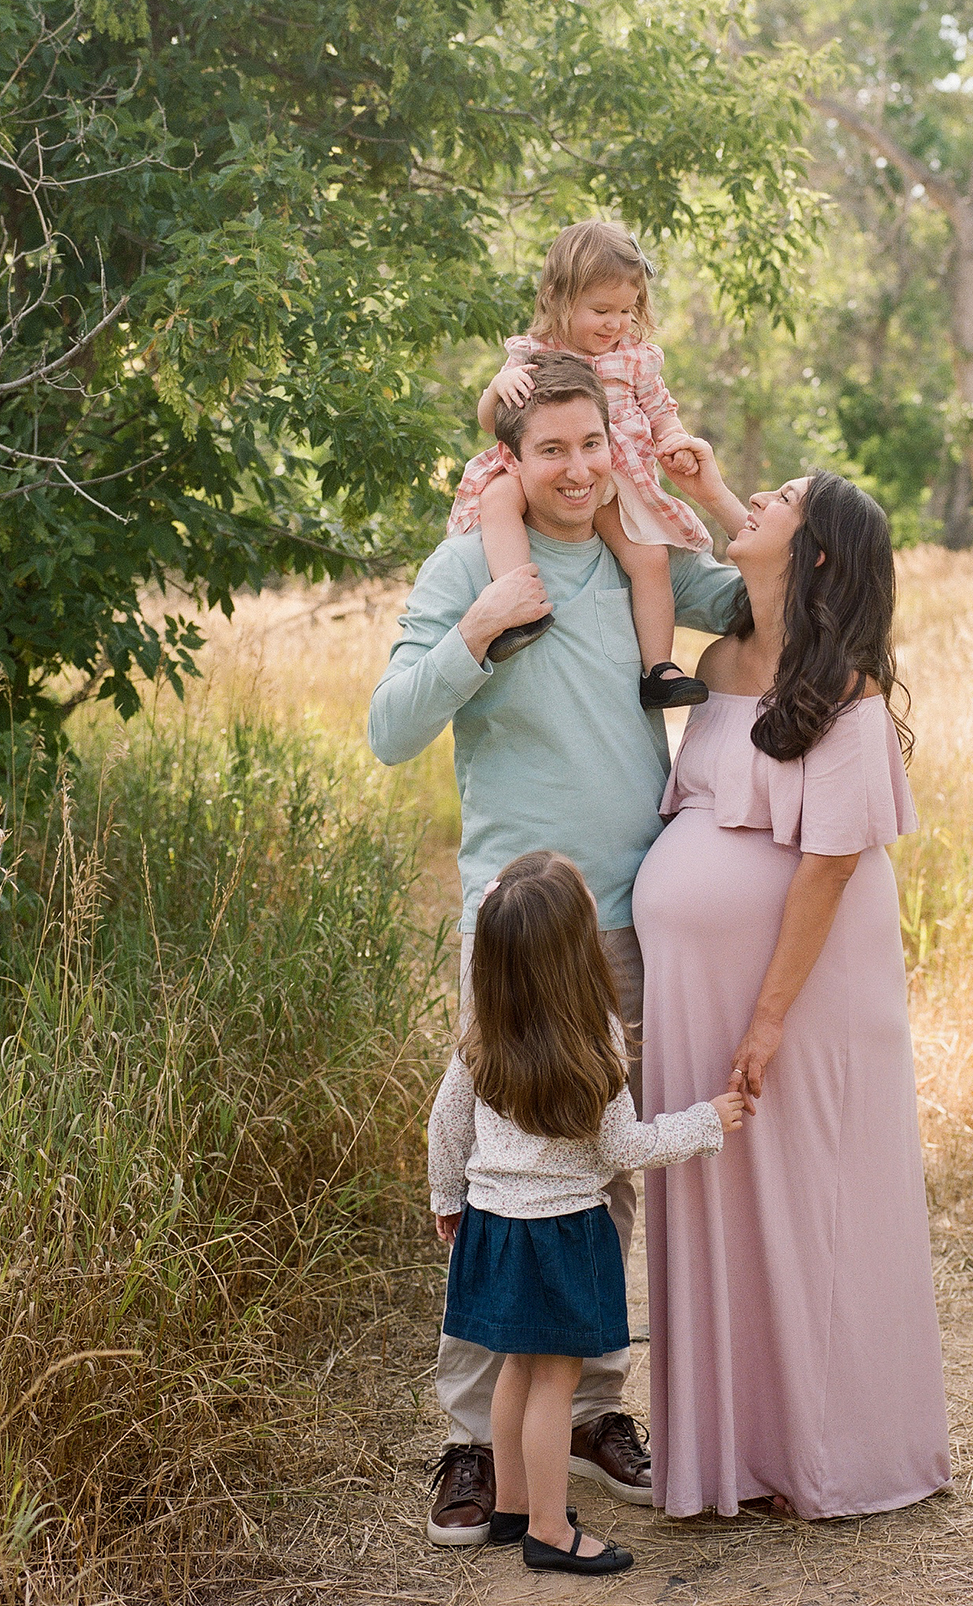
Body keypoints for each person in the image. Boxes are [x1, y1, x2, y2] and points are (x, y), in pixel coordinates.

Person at [366, 348, 743, 1544]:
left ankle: (590, 1408)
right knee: (499, 1177)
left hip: (630, 915)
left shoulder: (643, 547)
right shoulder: (473, 563)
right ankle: (476, 1440)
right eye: (552, 451)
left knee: (604, 1172)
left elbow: (766, 596)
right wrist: (475, 632)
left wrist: (724, 501)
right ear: (511, 462)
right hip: (517, 927)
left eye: (592, 445)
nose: (577, 471)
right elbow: (388, 731)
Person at [633, 469, 952, 1521]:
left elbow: (828, 866)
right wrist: (710, 485)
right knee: (720, 1199)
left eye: (778, 499)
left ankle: (827, 1451)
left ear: (813, 554)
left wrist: (767, 1020)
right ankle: (738, 1451)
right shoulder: (724, 655)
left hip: (803, 990)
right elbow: (758, 547)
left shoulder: (843, 688)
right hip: (699, 989)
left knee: (812, 1203)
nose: (750, 505)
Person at [428, 851, 747, 1575]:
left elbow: (443, 1124)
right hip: (562, 1237)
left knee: (515, 1369)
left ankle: (512, 1504)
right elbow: (624, 1146)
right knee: (555, 1383)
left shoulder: (481, 1037)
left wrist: (448, 1199)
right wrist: (705, 1123)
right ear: (578, 950)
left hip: (495, 1231)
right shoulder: (593, 1039)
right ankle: (548, 1530)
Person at [448, 219, 710, 710]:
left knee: (648, 559)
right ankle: (517, 607)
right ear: (559, 298)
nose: (614, 324)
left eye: (626, 311)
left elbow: (661, 412)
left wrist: (673, 439)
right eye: (600, 310)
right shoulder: (533, 353)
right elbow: (491, 420)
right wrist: (495, 390)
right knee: (498, 496)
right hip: (544, 472)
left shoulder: (635, 359)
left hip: (613, 474)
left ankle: (658, 668)